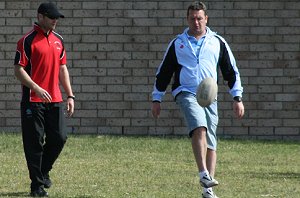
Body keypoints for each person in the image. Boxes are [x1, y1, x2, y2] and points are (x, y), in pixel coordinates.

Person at [151, 1, 244, 198]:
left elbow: (230, 70)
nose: (196, 22)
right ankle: (203, 173)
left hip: (210, 95)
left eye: (199, 18)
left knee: (211, 141)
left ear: (206, 19)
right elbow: (164, 72)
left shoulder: (217, 42)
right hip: (186, 92)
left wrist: (237, 97)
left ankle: (207, 190)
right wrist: (157, 98)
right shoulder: (178, 43)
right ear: (187, 19)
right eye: (192, 18)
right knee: (199, 127)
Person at [14, 2, 74, 197]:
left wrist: (70, 95)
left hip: (54, 99)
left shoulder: (58, 40)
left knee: (59, 137)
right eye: (51, 17)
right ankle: (36, 187)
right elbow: (18, 69)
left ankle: (43, 172)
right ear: (40, 17)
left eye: (56, 17)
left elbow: (63, 68)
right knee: (34, 143)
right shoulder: (26, 41)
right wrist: (35, 88)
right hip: (33, 100)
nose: (55, 20)